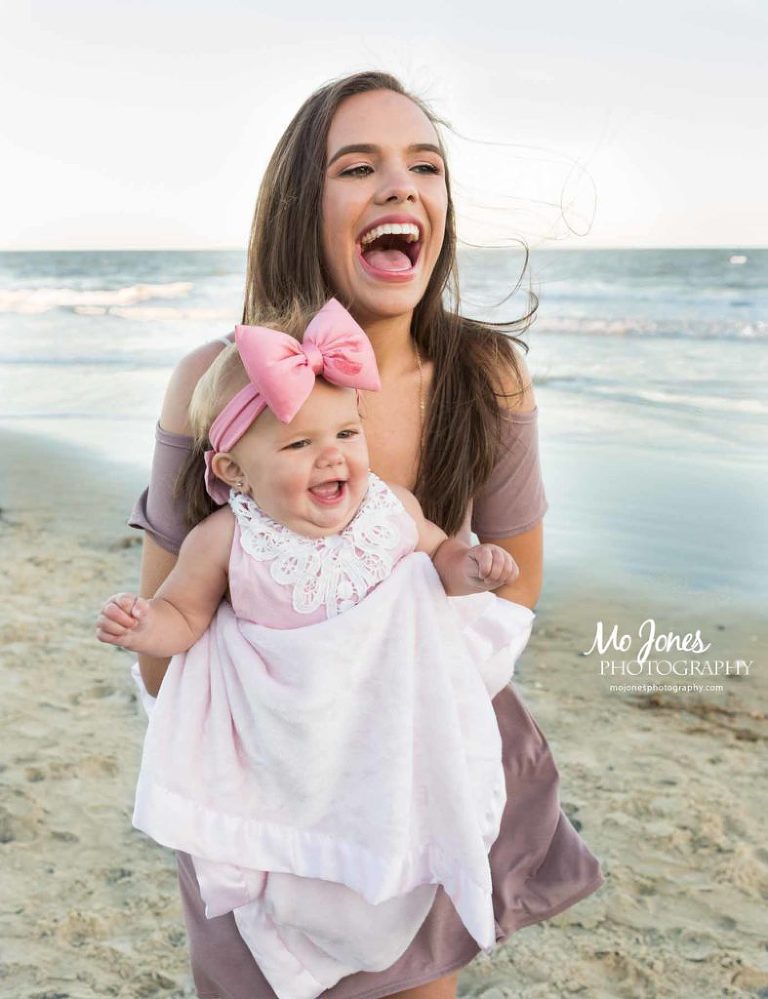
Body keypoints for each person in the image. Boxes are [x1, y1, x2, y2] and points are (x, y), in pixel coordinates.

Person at [125, 71, 603, 999]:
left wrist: (397, 657)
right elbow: (161, 649)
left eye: (425, 164)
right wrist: (298, 684)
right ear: (302, 207)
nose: (400, 185)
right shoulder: (212, 386)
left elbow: (513, 595)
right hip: (262, 786)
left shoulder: (485, 376)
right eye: (359, 167)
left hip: (411, 776)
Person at [98, 298, 540, 998]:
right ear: (235, 472)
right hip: (291, 748)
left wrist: (472, 570)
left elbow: (439, 558)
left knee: (388, 829)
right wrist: (142, 623)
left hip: (375, 736)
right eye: (298, 444)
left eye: (345, 431)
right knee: (292, 862)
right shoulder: (229, 537)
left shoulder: (390, 509)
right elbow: (183, 614)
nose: (332, 454)